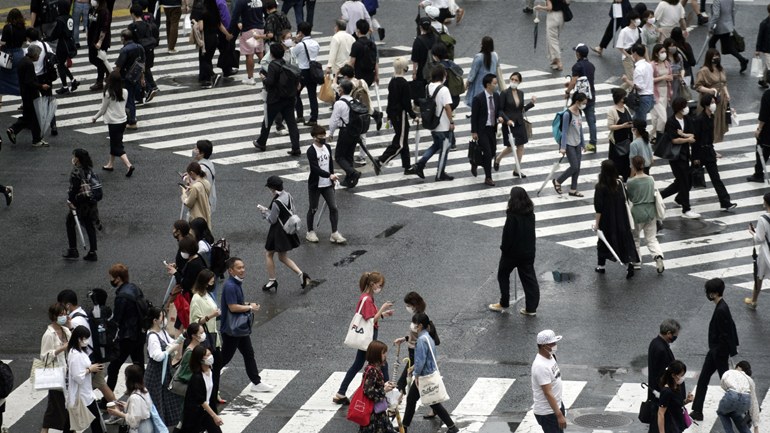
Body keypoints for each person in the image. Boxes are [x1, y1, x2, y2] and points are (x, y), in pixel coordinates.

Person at [57, 290, 118, 423]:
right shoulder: (82, 313)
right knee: (100, 386)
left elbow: (76, 341)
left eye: (61, 305)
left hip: (88, 359)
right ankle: (113, 411)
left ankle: (115, 412)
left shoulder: (74, 321)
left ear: (67, 305)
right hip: (92, 356)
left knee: (100, 386)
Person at [334, 272, 393, 404]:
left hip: (368, 336)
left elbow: (370, 317)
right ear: (372, 284)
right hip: (369, 337)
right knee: (382, 362)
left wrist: (383, 314)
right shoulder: (367, 299)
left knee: (358, 364)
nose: (380, 288)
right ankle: (388, 394)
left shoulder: (366, 297)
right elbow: (370, 320)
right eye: (379, 285)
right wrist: (382, 309)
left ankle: (341, 392)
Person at [219, 257, 276, 392]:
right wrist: (250, 308)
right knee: (224, 359)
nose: (242, 270)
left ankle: (256, 382)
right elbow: (233, 307)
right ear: (230, 271)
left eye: (243, 267)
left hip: (238, 328)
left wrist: (249, 304)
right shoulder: (231, 286)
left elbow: (237, 303)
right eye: (239, 268)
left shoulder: (235, 283)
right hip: (232, 330)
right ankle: (205, 378)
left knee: (248, 354)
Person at [689, 278, 740, 421]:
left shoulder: (721, 310)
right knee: (704, 379)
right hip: (716, 352)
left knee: (727, 383)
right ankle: (697, 410)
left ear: (715, 293)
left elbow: (724, 334)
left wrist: (719, 353)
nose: (707, 294)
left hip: (718, 352)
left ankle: (745, 406)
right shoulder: (722, 306)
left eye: (709, 292)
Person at [402, 313, 459, 433]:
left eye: (414, 323)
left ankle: (452, 427)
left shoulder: (421, 340)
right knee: (423, 401)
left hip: (424, 376)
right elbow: (426, 357)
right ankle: (404, 426)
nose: (412, 325)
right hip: (428, 373)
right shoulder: (428, 336)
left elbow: (421, 361)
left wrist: (416, 374)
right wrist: (414, 367)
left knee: (428, 402)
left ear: (420, 325)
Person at [489, 187, 539, 315]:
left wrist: (504, 249)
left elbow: (508, 235)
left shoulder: (512, 215)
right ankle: (531, 308)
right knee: (529, 280)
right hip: (528, 253)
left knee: (503, 274)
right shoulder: (530, 213)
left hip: (512, 253)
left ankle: (504, 302)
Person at [258, 176, 311, 289]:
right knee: (282, 257)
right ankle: (301, 274)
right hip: (287, 228)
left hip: (277, 231)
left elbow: (272, 220)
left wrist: (264, 211)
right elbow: (293, 210)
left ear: (273, 188)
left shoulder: (276, 202)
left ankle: (272, 280)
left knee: (269, 254)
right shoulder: (288, 195)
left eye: (270, 187)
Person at [407, 65, 455, 182]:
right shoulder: (444, 90)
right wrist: (451, 122)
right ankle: (440, 173)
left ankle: (420, 164)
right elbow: (447, 107)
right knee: (444, 149)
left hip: (433, 123)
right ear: (443, 75)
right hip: (443, 124)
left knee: (436, 145)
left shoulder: (428, 87)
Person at [252, 43, 301, 154]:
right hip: (289, 98)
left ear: (272, 54)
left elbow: (270, 82)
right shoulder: (287, 64)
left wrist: (264, 78)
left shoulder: (273, 65)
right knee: (291, 123)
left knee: (267, 121)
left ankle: (261, 142)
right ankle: (296, 147)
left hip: (275, 99)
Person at [593, 160, 639, 278]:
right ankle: (628, 264)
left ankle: (601, 266)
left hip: (607, 220)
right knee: (623, 241)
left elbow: (599, 208)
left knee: (603, 242)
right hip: (621, 218)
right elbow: (626, 198)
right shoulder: (620, 184)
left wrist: (597, 224)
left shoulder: (600, 187)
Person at [106, 264, 146, 392]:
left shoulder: (121, 297)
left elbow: (117, 320)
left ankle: (108, 399)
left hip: (127, 336)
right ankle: (143, 392)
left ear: (118, 279)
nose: (111, 280)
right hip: (139, 333)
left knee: (113, 367)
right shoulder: (135, 288)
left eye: (111, 277)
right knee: (139, 366)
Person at [692, 93, 736, 211]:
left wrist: (713, 151)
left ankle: (725, 202)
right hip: (700, 153)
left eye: (713, 102)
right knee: (688, 179)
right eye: (711, 103)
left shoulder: (711, 117)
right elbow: (695, 140)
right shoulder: (699, 119)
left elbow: (709, 137)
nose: (714, 105)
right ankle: (679, 198)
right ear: (706, 105)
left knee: (716, 178)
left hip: (709, 151)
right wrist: (695, 157)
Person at [660, 97, 700, 219]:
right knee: (684, 181)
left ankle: (659, 197)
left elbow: (693, 134)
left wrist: (683, 134)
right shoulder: (671, 122)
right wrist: (686, 139)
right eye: (685, 106)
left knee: (680, 182)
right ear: (679, 108)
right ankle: (686, 209)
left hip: (685, 155)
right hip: (675, 157)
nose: (687, 108)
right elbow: (674, 140)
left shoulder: (687, 119)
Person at [142, 308, 183, 426]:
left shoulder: (162, 331)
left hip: (165, 372)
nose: (165, 320)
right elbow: (157, 356)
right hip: (155, 374)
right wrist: (171, 349)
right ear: (155, 320)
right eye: (163, 317)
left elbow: (171, 342)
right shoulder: (152, 336)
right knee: (157, 402)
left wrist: (179, 340)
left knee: (167, 400)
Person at [306, 125, 346, 244]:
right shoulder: (311, 151)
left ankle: (334, 233)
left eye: (324, 135)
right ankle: (310, 231)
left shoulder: (327, 147)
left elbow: (330, 165)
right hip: (316, 185)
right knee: (313, 208)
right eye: (321, 136)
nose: (323, 138)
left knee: (333, 208)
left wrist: (331, 178)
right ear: (314, 138)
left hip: (327, 184)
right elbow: (315, 169)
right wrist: (329, 175)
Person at [189, 269, 223, 409]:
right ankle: (209, 399)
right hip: (205, 339)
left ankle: (214, 395)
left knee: (217, 367)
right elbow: (195, 321)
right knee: (209, 370)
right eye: (211, 281)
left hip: (214, 337)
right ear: (204, 282)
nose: (213, 283)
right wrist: (211, 316)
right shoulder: (196, 298)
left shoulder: (208, 295)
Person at [6, 45, 50, 147]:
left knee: (28, 115)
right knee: (35, 117)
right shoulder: (29, 64)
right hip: (31, 94)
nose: (39, 57)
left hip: (24, 93)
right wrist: (41, 86)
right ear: (34, 55)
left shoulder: (22, 60)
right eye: (38, 55)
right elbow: (29, 82)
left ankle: (13, 129)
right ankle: (36, 140)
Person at [39, 303, 73, 433]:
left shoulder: (66, 331)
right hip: (56, 376)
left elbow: (76, 344)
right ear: (53, 316)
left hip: (66, 375)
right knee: (62, 408)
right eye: (61, 315)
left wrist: (70, 326)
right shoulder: (49, 335)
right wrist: (60, 349)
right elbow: (44, 357)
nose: (64, 317)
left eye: (65, 314)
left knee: (53, 408)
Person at [627, 156, 665, 272]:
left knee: (635, 239)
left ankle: (636, 262)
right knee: (651, 238)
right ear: (644, 165)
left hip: (637, 212)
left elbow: (630, 197)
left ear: (633, 166)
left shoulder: (631, 182)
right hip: (650, 212)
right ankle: (658, 256)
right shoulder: (650, 179)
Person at [380, 57, 417, 171]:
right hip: (400, 114)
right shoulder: (404, 84)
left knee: (403, 139)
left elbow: (390, 99)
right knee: (400, 143)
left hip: (393, 113)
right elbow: (406, 103)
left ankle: (407, 166)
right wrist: (413, 115)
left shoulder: (392, 81)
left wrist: (388, 114)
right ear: (404, 68)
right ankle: (381, 160)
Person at [92, 71, 133, 176]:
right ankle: (110, 164)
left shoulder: (108, 93)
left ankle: (129, 165)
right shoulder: (125, 91)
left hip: (113, 122)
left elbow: (103, 109)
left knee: (118, 146)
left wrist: (95, 117)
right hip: (123, 120)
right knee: (114, 142)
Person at [62, 149, 100, 260]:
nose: (73, 158)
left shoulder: (77, 171)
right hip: (90, 201)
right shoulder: (89, 169)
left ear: (77, 159)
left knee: (70, 222)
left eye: (74, 156)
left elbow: (75, 188)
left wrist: (70, 201)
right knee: (89, 224)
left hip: (80, 202)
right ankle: (92, 252)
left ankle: (73, 249)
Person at [67, 326, 105, 433]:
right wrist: (90, 369)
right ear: (79, 338)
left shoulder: (80, 351)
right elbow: (77, 376)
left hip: (85, 392)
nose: (86, 341)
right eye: (85, 338)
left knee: (71, 422)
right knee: (95, 419)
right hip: (82, 394)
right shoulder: (76, 355)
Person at [647, 319, 682, 433]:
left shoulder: (655, 342)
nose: (675, 337)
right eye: (675, 334)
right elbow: (660, 376)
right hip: (660, 396)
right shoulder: (661, 350)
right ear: (668, 333)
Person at [496, 72, 535, 172]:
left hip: (519, 123)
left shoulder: (521, 93)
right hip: (508, 124)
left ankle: (517, 170)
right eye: (512, 79)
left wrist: (531, 103)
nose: (513, 81)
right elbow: (500, 110)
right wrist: (507, 120)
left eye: (516, 80)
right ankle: (498, 159)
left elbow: (521, 110)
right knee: (510, 148)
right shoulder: (504, 93)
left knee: (520, 146)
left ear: (519, 82)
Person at [355, 340, 397, 433]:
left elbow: (373, 387)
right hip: (373, 414)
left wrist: (384, 385)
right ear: (376, 354)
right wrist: (384, 390)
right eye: (383, 353)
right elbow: (369, 391)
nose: (385, 355)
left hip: (378, 412)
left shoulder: (375, 368)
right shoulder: (371, 370)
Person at [392, 292, 428, 398]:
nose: (407, 308)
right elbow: (415, 335)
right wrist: (404, 339)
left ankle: (399, 395)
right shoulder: (419, 316)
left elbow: (422, 336)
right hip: (413, 350)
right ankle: (401, 395)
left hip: (416, 351)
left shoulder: (420, 318)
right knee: (413, 376)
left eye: (408, 306)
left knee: (406, 376)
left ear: (414, 305)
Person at [329, 79, 362, 187]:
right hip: (355, 132)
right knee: (349, 156)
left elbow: (334, 120)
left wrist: (331, 132)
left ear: (341, 90)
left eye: (339, 88)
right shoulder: (355, 101)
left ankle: (353, 173)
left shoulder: (339, 103)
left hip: (345, 132)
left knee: (339, 156)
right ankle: (349, 180)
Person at [181, 346, 223, 432]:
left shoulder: (211, 372)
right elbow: (201, 400)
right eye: (207, 355)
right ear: (201, 360)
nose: (211, 357)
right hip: (196, 414)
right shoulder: (197, 377)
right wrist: (214, 416)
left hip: (207, 412)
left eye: (210, 354)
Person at [554, 92, 588, 197]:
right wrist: (563, 147)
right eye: (583, 103)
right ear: (577, 102)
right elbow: (564, 131)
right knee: (574, 166)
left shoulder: (580, 112)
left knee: (578, 167)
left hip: (577, 143)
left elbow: (580, 129)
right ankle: (558, 181)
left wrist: (583, 143)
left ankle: (573, 189)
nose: (584, 105)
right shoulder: (567, 114)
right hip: (569, 143)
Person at [532, 330, 566, 433]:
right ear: (544, 346)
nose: (555, 346)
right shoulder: (541, 366)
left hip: (556, 407)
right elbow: (547, 393)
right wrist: (559, 415)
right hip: (548, 413)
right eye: (552, 343)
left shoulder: (551, 356)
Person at [194, 0, 233, 89]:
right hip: (215, 38)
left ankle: (213, 75)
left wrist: (195, 22)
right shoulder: (215, 12)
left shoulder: (202, 12)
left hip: (206, 39)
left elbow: (201, 27)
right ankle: (208, 81)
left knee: (203, 60)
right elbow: (220, 26)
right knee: (208, 59)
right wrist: (227, 34)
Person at [695, 49, 730, 143]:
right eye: (714, 56)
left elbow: (723, 83)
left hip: (720, 98)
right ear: (709, 58)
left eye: (717, 56)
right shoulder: (704, 71)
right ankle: (708, 143)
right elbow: (698, 86)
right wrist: (709, 90)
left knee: (718, 121)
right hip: (709, 99)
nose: (716, 58)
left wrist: (727, 94)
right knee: (709, 122)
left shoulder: (720, 69)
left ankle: (713, 142)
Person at [105, 365, 154, 433]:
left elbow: (134, 421)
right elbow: (142, 409)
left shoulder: (134, 397)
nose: (125, 378)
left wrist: (119, 414)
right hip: (147, 426)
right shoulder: (144, 390)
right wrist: (127, 406)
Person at [565, 45, 596, 151]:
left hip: (579, 99)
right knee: (591, 122)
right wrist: (570, 84)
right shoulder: (591, 65)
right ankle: (593, 143)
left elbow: (574, 81)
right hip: (591, 97)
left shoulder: (577, 66)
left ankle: (569, 141)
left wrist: (567, 91)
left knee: (570, 117)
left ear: (578, 54)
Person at [717, 361, 761, 433]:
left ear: (738, 367)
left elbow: (723, 384)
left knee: (722, 413)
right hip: (745, 400)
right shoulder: (750, 380)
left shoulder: (730, 372)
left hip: (731, 396)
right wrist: (756, 426)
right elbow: (754, 402)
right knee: (736, 415)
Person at [46, 2, 80, 95]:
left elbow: (56, 33)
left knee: (60, 64)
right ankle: (73, 81)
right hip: (69, 42)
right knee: (62, 64)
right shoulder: (70, 17)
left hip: (62, 44)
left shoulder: (60, 19)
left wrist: (47, 38)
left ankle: (65, 86)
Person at [113, 29, 144, 131]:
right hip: (137, 77)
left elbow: (118, 67)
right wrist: (142, 78)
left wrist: (112, 79)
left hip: (126, 78)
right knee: (132, 99)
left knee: (128, 100)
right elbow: (143, 64)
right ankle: (133, 116)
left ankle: (132, 122)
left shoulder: (125, 50)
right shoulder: (140, 47)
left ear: (123, 38)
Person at [229, 0, 265, 85]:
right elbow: (266, 13)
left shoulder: (241, 2)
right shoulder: (260, 0)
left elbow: (234, 17)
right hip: (260, 29)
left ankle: (250, 77)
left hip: (248, 31)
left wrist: (230, 32)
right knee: (259, 52)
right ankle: (270, 73)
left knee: (249, 55)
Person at [127, 5, 158, 103]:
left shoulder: (132, 27)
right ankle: (147, 89)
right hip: (147, 50)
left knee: (137, 72)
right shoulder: (147, 25)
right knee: (144, 70)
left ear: (132, 14)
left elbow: (130, 41)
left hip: (137, 52)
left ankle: (146, 90)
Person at [292, 21, 320, 126]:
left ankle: (300, 115)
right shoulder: (316, 44)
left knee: (295, 93)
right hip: (313, 72)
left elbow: (291, 53)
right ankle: (313, 118)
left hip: (303, 72)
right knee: (312, 95)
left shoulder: (300, 45)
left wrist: (296, 41)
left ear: (300, 32)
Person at [708, 0, 748, 73]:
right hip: (728, 25)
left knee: (711, 44)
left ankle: (713, 63)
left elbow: (716, 15)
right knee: (727, 46)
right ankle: (742, 60)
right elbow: (733, 11)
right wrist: (732, 24)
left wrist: (711, 27)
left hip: (719, 26)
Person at [747, 192, 770, 308]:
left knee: (759, 276)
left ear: (765, 203)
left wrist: (752, 232)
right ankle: (753, 300)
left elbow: (759, 239)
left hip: (766, 253)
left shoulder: (763, 219)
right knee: (759, 275)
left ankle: (754, 300)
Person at [657, 360, 694, 433]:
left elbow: (675, 404)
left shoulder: (676, 387)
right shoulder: (666, 391)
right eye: (681, 375)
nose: (683, 377)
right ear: (673, 375)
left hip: (677, 425)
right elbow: (660, 413)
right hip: (671, 428)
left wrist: (687, 401)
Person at [622, 44, 655, 121]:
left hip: (643, 99)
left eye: (632, 53)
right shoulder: (649, 65)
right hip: (651, 97)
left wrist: (626, 80)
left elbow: (639, 87)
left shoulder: (638, 69)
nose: (632, 55)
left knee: (640, 123)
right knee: (634, 120)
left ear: (635, 54)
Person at [607, 87, 634, 180]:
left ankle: (626, 180)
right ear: (619, 99)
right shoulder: (612, 111)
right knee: (617, 164)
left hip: (628, 139)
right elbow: (610, 126)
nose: (625, 98)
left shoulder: (625, 108)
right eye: (624, 97)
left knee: (627, 163)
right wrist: (623, 126)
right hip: (617, 141)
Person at [465, 36, 498, 109]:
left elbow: (473, 72)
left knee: (479, 106)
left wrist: (467, 83)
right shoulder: (495, 55)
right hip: (492, 85)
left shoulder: (479, 57)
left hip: (480, 86)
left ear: (483, 45)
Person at [649, 44, 673, 143]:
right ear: (656, 54)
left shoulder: (666, 63)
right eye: (662, 52)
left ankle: (654, 136)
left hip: (665, 91)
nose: (664, 54)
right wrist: (662, 78)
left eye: (665, 52)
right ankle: (658, 136)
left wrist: (669, 78)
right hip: (655, 93)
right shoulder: (652, 65)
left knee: (656, 117)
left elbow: (670, 75)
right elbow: (648, 80)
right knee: (663, 118)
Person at [87, 0, 112, 91]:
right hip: (92, 38)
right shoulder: (92, 9)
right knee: (92, 59)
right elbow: (89, 22)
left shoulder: (105, 12)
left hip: (100, 41)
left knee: (99, 60)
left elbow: (104, 29)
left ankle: (100, 81)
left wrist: (100, 42)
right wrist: (87, 33)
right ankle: (107, 71)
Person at [534, 0, 565, 71]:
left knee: (552, 39)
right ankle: (554, 59)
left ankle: (559, 61)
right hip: (561, 15)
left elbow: (549, 7)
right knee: (555, 38)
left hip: (552, 17)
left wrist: (540, 7)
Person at [616, 11, 643, 91]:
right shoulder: (624, 31)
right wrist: (627, 55)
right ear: (631, 20)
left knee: (635, 78)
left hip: (637, 56)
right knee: (632, 78)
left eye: (639, 18)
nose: (639, 20)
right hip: (628, 57)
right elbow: (619, 46)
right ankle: (631, 95)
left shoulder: (640, 30)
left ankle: (618, 91)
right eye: (636, 18)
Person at [181, 161, 212, 230]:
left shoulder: (195, 187)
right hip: (206, 214)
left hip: (197, 218)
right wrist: (191, 187)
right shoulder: (207, 183)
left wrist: (184, 194)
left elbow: (188, 203)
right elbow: (201, 194)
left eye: (189, 174)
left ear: (192, 173)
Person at [411, 17, 439, 87]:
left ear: (420, 27)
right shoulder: (437, 38)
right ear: (430, 26)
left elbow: (415, 59)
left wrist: (414, 73)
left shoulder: (418, 40)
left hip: (422, 73)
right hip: (437, 71)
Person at [350, 19, 378, 87]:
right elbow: (375, 61)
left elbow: (352, 63)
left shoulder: (356, 45)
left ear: (358, 30)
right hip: (370, 76)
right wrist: (377, 75)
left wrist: (348, 75)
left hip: (359, 75)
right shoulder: (372, 44)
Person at [192, 140, 217, 213]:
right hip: (208, 201)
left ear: (202, 153)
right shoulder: (209, 163)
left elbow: (195, 187)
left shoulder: (201, 169)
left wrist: (187, 180)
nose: (194, 150)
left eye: (196, 149)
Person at [757, 6, 770, 88]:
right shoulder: (764, 23)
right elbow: (760, 36)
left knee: (766, 66)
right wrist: (757, 49)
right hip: (767, 49)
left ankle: (762, 79)